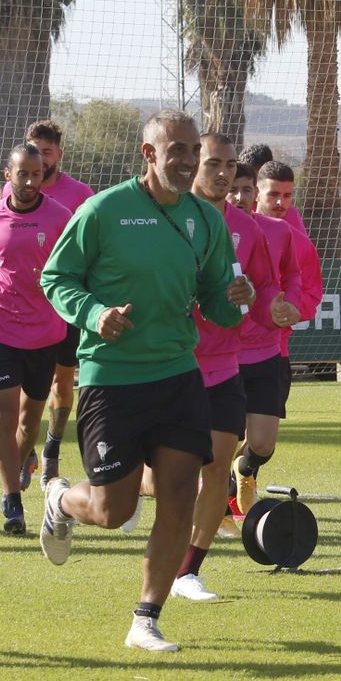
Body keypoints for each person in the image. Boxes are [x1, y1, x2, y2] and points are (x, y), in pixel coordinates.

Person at [37, 110, 254, 653]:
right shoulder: (103, 211)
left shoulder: (206, 221)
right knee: (115, 512)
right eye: (174, 150)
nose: (185, 161)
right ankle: (61, 501)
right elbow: (55, 278)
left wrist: (236, 303)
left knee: (181, 494)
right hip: (111, 379)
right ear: (149, 154)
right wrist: (94, 314)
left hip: (178, 374)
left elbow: (216, 305)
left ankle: (147, 617)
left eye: (191, 151)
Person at [169, 133, 280, 601]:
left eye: (230, 165)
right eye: (213, 162)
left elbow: (263, 292)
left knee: (216, 469)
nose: (222, 173)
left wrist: (265, 302)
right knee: (159, 478)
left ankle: (188, 571)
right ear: (193, 164)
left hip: (223, 365)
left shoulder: (249, 230)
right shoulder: (166, 217)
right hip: (168, 362)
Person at [0, 143, 72, 534]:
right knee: (4, 416)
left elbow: (75, 263)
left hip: (45, 332)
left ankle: (25, 456)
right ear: (7, 174)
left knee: (28, 425)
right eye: (22, 173)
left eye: (36, 173)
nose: (30, 181)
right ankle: (12, 500)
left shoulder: (60, 217)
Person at [232, 159, 320, 513]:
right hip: (221, 354)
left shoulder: (281, 233)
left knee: (263, 445)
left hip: (270, 349)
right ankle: (219, 510)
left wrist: (290, 307)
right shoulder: (207, 228)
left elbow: (297, 280)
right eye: (233, 189)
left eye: (246, 189)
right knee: (221, 439)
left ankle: (245, 468)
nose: (239, 196)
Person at [16, 120, 98, 492]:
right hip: (23, 310)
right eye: (35, 151)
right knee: (24, 390)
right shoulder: (14, 189)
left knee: (63, 381)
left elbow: (96, 247)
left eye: (47, 152)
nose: (41, 159)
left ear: (58, 155)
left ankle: (50, 450)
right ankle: (26, 450)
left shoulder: (81, 194)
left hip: (67, 305)